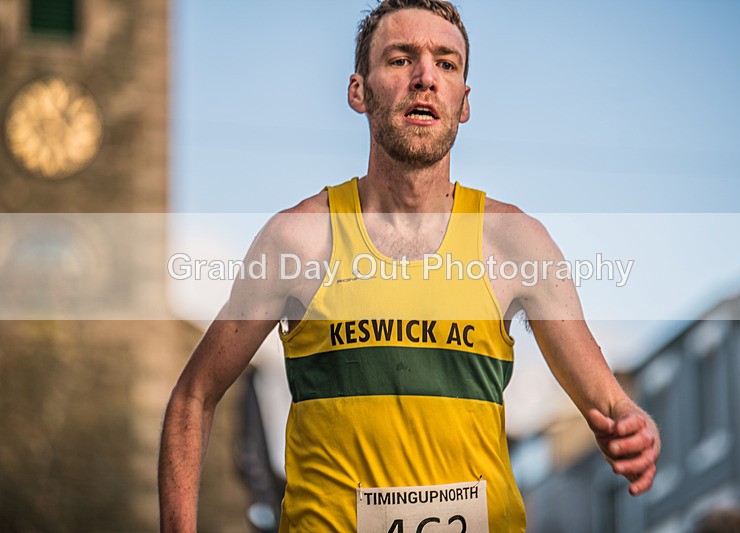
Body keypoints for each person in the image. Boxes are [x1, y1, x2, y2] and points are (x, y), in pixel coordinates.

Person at [158, 1, 661, 531]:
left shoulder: (516, 242)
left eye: (446, 64)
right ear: (359, 91)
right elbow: (193, 397)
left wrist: (633, 426)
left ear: (463, 102)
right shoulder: (297, 240)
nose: (425, 77)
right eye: (401, 60)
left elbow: (611, 403)